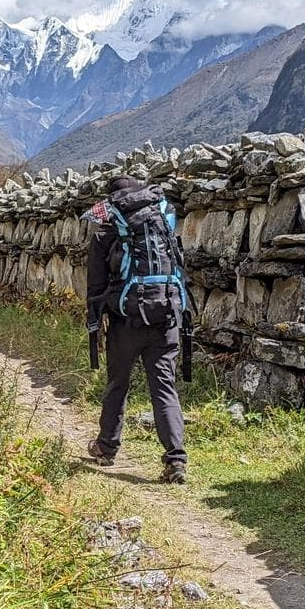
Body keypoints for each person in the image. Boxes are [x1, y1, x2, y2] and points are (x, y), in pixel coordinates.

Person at [85, 176, 191, 484]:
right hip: (167, 316)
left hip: (126, 321)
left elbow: (96, 284)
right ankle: (175, 459)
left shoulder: (107, 230)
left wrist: (97, 319)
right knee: (164, 387)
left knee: (118, 383)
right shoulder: (162, 221)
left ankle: (106, 447)